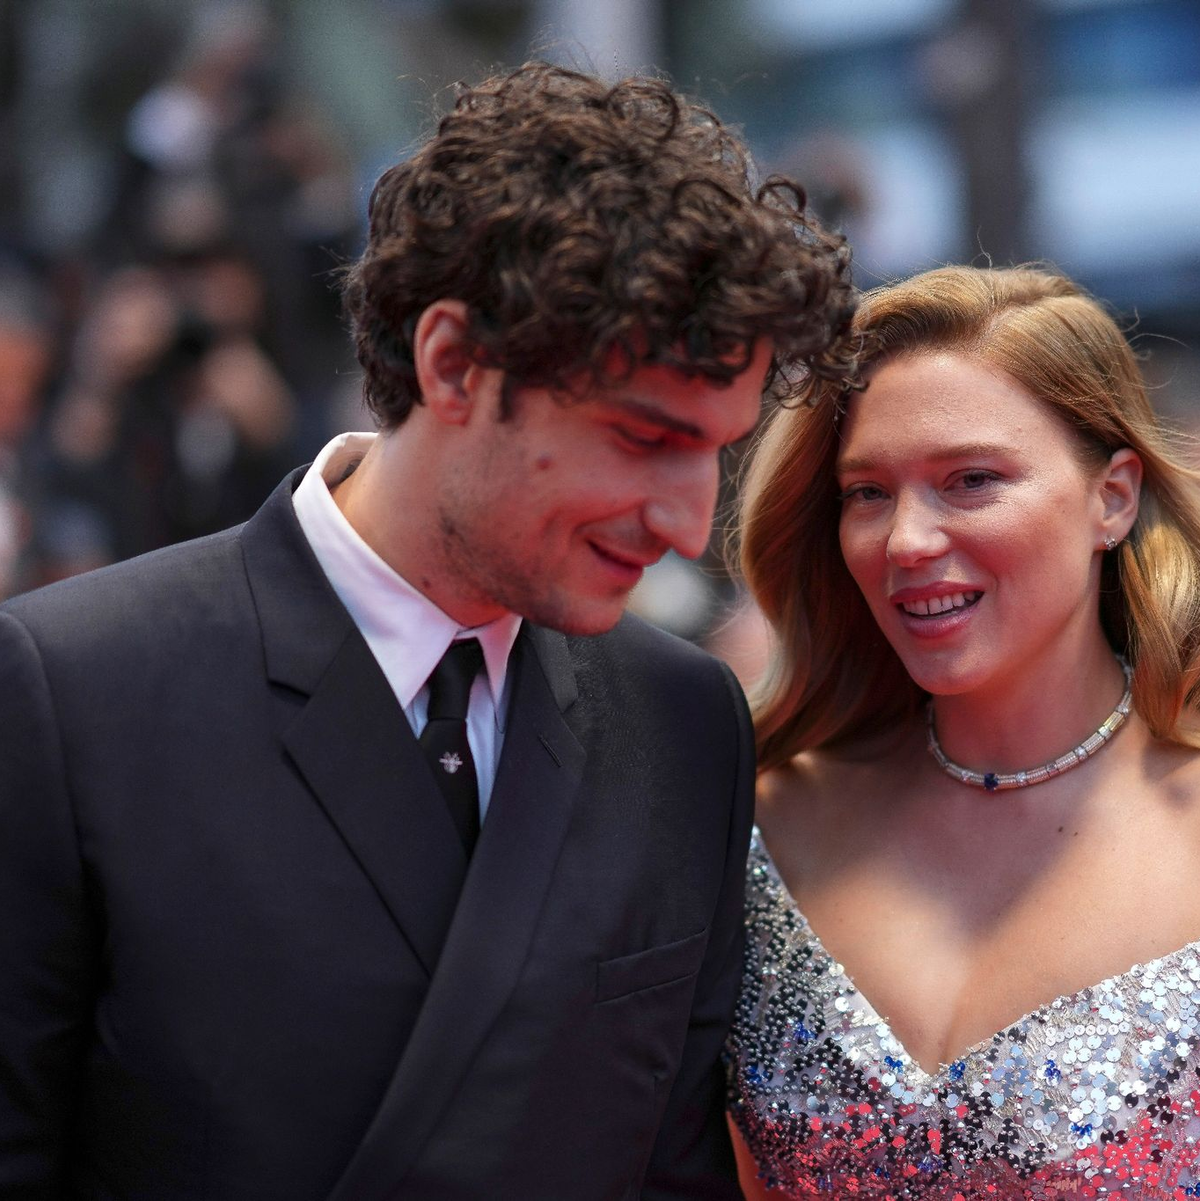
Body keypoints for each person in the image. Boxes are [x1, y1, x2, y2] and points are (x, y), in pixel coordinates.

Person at [0, 62, 855, 1199]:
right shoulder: (70, 692)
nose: (689, 520)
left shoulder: (685, 719)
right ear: (453, 362)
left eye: (718, 448)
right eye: (645, 437)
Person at [727, 265, 1200, 1199]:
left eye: (970, 479)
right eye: (867, 493)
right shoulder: (756, 818)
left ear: (1111, 497)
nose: (906, 541)